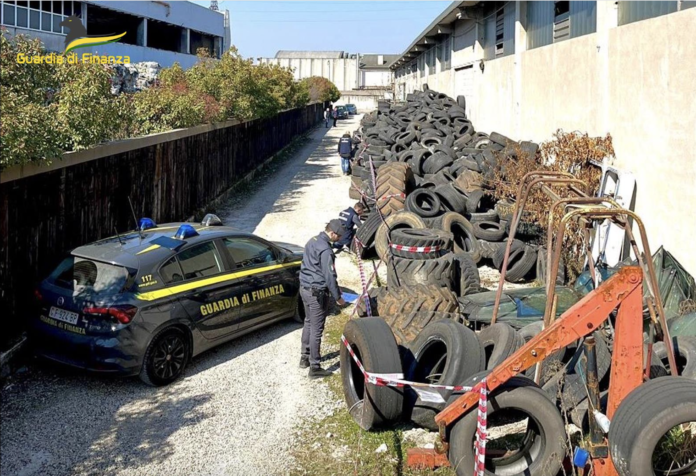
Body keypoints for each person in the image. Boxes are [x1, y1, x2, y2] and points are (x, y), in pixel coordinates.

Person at [299, 219, 347, 378]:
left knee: (308, 321)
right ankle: (315, 366)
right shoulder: (326, 250)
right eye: (339, 236)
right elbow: (329, 275)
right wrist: (338, 297)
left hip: (305, 289)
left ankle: (304, 357)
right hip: (317, 292)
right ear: (332, 233)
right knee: (317, 329)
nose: (340, 239)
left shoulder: (312, 240)